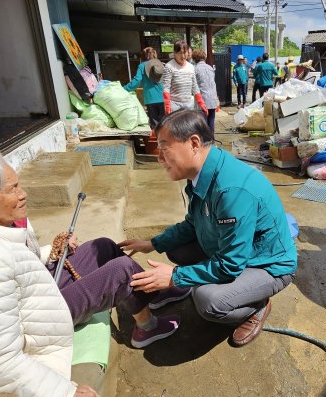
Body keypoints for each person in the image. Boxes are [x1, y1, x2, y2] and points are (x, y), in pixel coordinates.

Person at [0, 149, 183, 397]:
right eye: (12, 190)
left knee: (103, 246)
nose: (23, 194)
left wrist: (50, 253)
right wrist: (65, 395)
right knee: (120, 273)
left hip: (33, 295)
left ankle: (152, 293)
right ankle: (146, 327)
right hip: (36, 320)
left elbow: (20, 262)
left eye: (19, 184)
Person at [119, 110, 298, 347]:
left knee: (208, 302)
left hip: (267, 264)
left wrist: (176, 277)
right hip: (236, 252)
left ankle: (256, 306)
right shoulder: (200, 174)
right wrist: (152, 244)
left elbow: (231, 265)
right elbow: (192, 224)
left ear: (193, 143)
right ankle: (197, 284)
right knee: (176, 249)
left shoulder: (231, 191)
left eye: (164, 148)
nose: (159, 158)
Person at [161, 40, 207, 114]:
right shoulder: (169, 66)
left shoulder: (191, 67)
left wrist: (201, 103)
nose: (183, 56)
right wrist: (167, 105)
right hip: (175, 105)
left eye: (185, 52)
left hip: (189, 104)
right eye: (180, 53)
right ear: (174, 53)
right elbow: (166, 88)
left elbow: (195, 86)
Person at [123, 47, 164, 129]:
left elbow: (137, 81)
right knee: (164, 124)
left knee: (155, 126)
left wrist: (124, 89)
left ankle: (157, 141)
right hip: (163, 97)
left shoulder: (142, 66)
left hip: (151, 99)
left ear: (143, 56)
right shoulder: (160, 64)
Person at [192, 49, 218, 138]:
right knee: (211, 121)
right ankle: (211, 141)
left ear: (194, 58)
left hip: (202, 100)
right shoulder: (210, 68)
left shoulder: (195, 69)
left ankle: (205, 142)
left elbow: (193, 85)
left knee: (202, 122)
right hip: (213, 99)